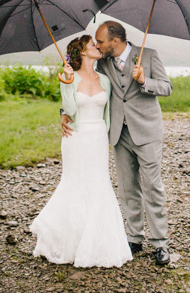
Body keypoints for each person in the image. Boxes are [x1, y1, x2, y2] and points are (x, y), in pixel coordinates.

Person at [61, 21, 173, 266]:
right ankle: (134, 237)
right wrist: (64, 111)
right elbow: (82, 81)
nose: (98, 46)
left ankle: (160, 243)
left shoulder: (150, 56)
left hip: (147, 132)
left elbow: (167, 87)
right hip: (118, 134)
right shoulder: (102, 62)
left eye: (101, 41)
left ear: (115, 40)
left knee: (153, 186)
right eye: (96, 43)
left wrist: (145, 81)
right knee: (127, 188)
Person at [31, 35, 132, 268]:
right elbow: (70, 109)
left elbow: (109, 111)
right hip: (75, 137)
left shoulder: (104, 80)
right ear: (83, 52)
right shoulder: (70, 77)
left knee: (98, 184)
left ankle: (97, 243)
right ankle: (70, 242)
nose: (97, 47)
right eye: (92, 45)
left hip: (98, 138)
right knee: (75, 183)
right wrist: (66, 85)